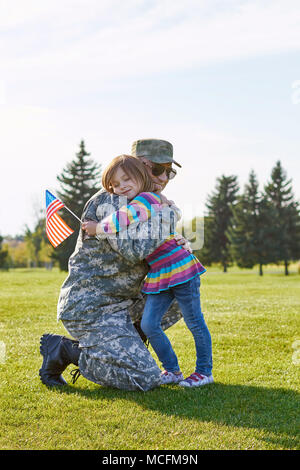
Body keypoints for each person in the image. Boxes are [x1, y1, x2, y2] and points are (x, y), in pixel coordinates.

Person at [39, 139, 190, 391]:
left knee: (179, 290)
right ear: (139, 166)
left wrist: (176, 244)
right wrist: (170, 214)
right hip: (93, 307)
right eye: (158, 169)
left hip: (123, 303)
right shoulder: (113, 201)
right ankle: (65, 350)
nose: (164, 178)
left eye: (169, 172)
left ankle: (128, 349)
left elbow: (153, 251)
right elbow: (135, 250)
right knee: (146, 378)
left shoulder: (147, 204)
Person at [82, 154, 213, 388]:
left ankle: (204, 371)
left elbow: (123, 219)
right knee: (149, 324)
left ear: (140, 176)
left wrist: (97, 228)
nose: (120, 187)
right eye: (115, 185)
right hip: (160, 273)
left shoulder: (146, 199)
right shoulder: (144, 201)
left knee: (195, 321)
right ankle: (172, 369)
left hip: (180, 269)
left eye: (126, 180)